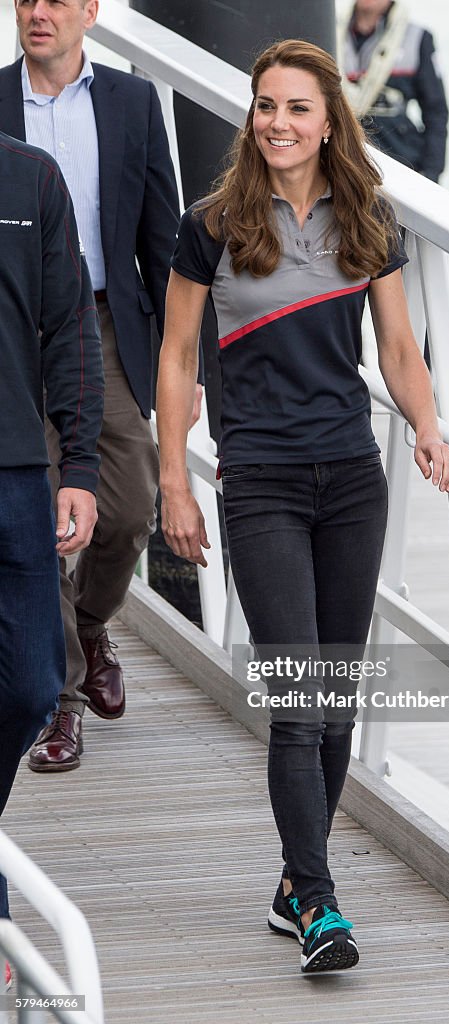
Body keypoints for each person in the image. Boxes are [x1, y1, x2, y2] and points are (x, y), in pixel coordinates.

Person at [156, 38, 449, 974]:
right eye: (264, 107)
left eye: (295, 108)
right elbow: (175, 360)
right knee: (299, 701)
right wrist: (174, 479)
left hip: (350, 479)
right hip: (261, 482)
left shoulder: (368, 217)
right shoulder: (212, 223)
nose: (277, 123)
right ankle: (322, 905)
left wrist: (426, 425)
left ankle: (296, 883)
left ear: (330, 122)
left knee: (335, 707)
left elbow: (400, 352)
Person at [0, 0, 187, 771]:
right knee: (45, 513)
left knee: (131, 503)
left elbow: (164, 236)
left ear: (90, 12)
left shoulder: (131, 100)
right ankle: (62, 706)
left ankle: (90, 625)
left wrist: (185, 365)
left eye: (55, 0)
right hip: (17, 332)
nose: (37, 13)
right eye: (23, 0)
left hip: (106, 327)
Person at [0, 127, 103, 933]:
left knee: (34, 686)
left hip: (18, 472)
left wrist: (78, 469)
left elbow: (70, 328)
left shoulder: (32, 178)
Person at [338, 0, 448, 182]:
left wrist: (431, 173)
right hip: (344, 164)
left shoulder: (417, 37)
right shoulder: (329, 30)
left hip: (400, 165)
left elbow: (435, 111)